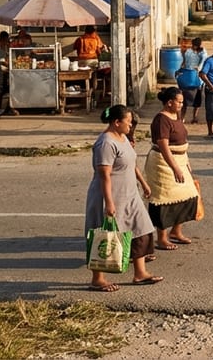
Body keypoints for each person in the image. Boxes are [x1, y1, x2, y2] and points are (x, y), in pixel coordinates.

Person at [85, 104, 161, 291]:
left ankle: (140, 273)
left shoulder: (123, 138)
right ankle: (98, 279)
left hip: (130, 194)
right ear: (116, 122)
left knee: (142, 230)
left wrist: (143, 183)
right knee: (104, 236)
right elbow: (104, 174)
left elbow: (131, 162)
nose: (130, 125)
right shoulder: (106, 143)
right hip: (110, 195)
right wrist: (109, 202)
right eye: (127, 122)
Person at [144, 87, 200, 251]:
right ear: (169, 103)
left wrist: (186, 162)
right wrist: (174, 167)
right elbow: (163, 146)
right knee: (164, 200)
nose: (181, 105)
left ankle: (176, 231)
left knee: (188, 195)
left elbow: (182, 139)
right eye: (179, 102)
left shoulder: (178, 115)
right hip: (163, 162)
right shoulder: (161, 120)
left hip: (180, 159)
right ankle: (162, 238)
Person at [175, 38, 206, 124]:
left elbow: (201, 63)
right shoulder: (191, 52)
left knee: (192, 100)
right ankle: (190, 118)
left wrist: (182, 70)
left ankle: (186, 118)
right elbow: (184, 63)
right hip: (195, 79)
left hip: (194, 79)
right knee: (193, 101)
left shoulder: (201, 53)